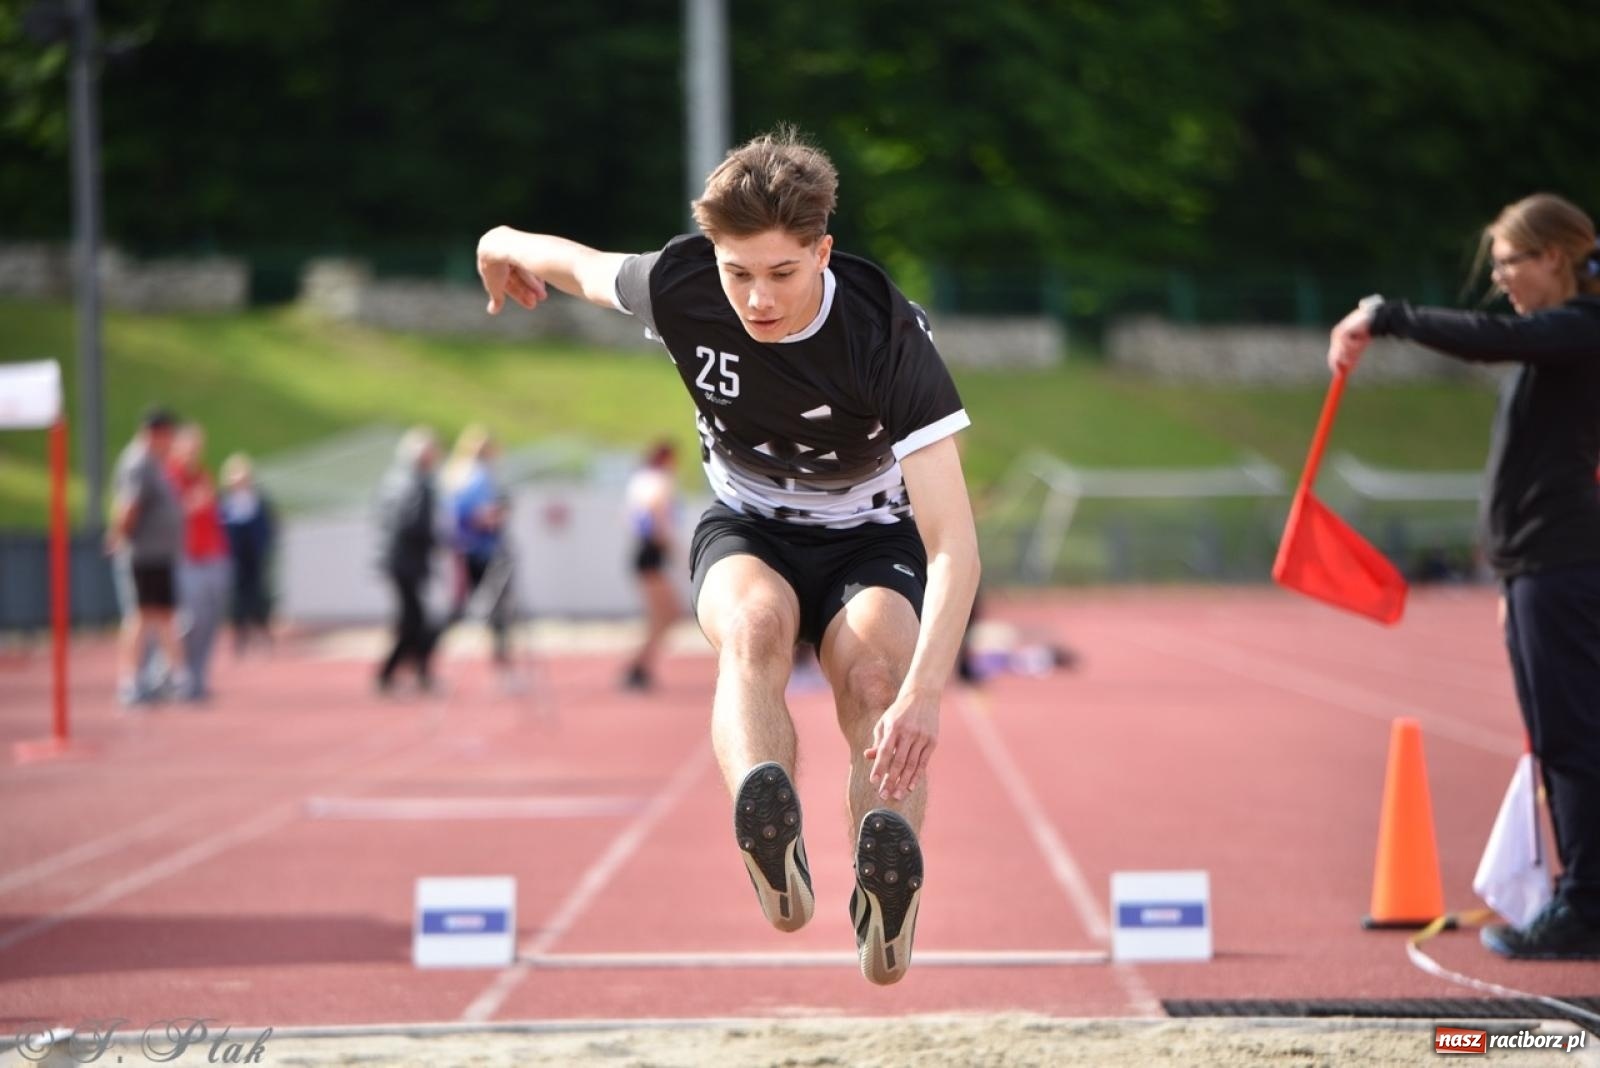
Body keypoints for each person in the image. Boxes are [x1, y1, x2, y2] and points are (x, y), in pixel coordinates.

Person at [476, 127, 981, 985]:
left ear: (823, 251)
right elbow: (583, 266)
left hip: (871, 533)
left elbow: (953, 545)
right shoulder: (680, 283)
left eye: (783, 273)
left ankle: (883, 883)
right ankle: (767, 826)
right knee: (752, 628)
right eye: (737, 271)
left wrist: (926, 698)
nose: (756, 299)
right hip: (749, 524)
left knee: (874, 679)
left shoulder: (886, 335)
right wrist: (499, 245)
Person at [1328, 192, 1600, 961]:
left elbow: (1486, 339)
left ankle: (1585, 904)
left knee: (1574, 738)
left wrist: (1386, 315)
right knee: (1562, 736)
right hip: (1540, 569)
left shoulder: (1581, 330)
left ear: (1553, 258)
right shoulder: (1562, 340)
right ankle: (1583, 895)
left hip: (1562, 564)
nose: (1501, 277)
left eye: (1510, 261)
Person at [107, 407, 190, 706]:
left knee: (165, 615)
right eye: (169, 435)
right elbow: (128, 505)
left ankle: (176, 678)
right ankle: (130, 681)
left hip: (158, 554)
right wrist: (119, 534)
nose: (172, 442)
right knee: (140, 616)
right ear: (157, 433)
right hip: (143, 554)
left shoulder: (154, 462)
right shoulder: (138, 462)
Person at [444, 424, 520, 692]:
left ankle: (500, 666)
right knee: (496, 612)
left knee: (485, 611)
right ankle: (502, 669)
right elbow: (476, 516)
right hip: (485, 553)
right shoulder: (477, 477)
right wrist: (495, 515)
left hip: (470, 552)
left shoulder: (458, 475)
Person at [375, 426, 443, 694]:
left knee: (416, 621)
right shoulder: (417, 484)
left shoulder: (396, 480)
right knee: (416, 622)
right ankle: (393, 673)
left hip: (400, 560)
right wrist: (438, 540)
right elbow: (412, 524)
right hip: (408, 561)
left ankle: (415, 672)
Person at [167, 424, 231, 702]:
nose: (195, 452)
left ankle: (198, 677)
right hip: (186, 556)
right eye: (190, 446)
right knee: (188, 621)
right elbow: (167, 515)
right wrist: (191, 504)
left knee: (209, 621)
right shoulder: (170, 476)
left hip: (213, 555)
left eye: (198, 447)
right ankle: (175, 676)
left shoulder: (203, 474)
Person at [620, 440, 683, 691]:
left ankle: (641, 665)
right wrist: (668, 545)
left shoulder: (642, 479)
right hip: (650, 551)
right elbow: (654, 509)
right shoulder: (659, 480)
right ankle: (637, 665)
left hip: (645, 550)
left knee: (665, 615)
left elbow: (629, 514)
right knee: (666, 614)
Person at [219, 452, 276, 656]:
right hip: (235, 558)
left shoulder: (258, 501)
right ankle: (240, 637)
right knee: (238, 598)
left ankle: (262, 633)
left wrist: (263, 548)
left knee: (258, 596)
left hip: (255, 557)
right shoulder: (225, 502)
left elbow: (269, 526)